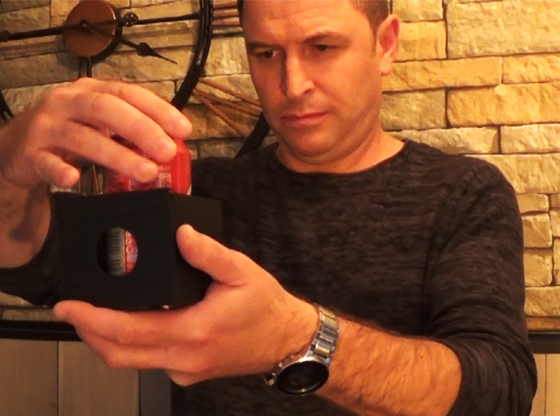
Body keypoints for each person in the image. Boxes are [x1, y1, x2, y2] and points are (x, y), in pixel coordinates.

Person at [0, 0, 537, 415]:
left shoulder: (464, 194)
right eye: (266, 53)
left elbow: (499, 392)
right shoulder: (200, 193)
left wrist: (297, 339)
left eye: (321, 47)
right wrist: (8, 170)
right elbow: (38, 262)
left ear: (385, 45)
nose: (292, 84)